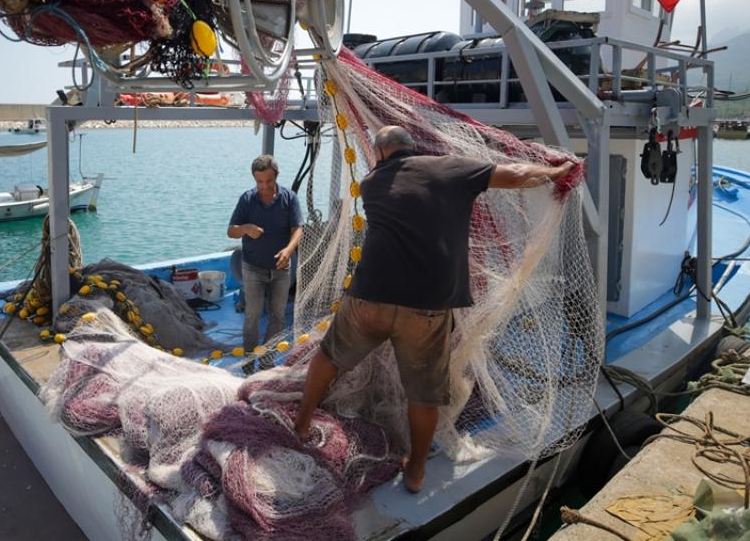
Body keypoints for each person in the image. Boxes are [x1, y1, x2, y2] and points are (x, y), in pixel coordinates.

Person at [292, 126, 576, 493]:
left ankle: (301, 424)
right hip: (425, 310)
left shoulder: (372, 182)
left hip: (369, 298)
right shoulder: (452, 168)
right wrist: (556, 172)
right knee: (422, 394)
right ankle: (416, 472)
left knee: (329, 356)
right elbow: (518, 175)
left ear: (380, 153)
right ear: (413, 148)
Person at [228, 155, 303, 362]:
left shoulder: (289, 198)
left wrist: (288, 250)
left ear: (276, 176)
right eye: (259, 181)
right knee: (252, 315)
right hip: (253, 268)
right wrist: (245, 228)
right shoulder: (247, 199)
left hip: (281, 269)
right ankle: (249, 358)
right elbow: (231, 231)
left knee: (277, 316)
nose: (264, 185)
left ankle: (268, 358)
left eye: (268, 181)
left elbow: (298, 229)